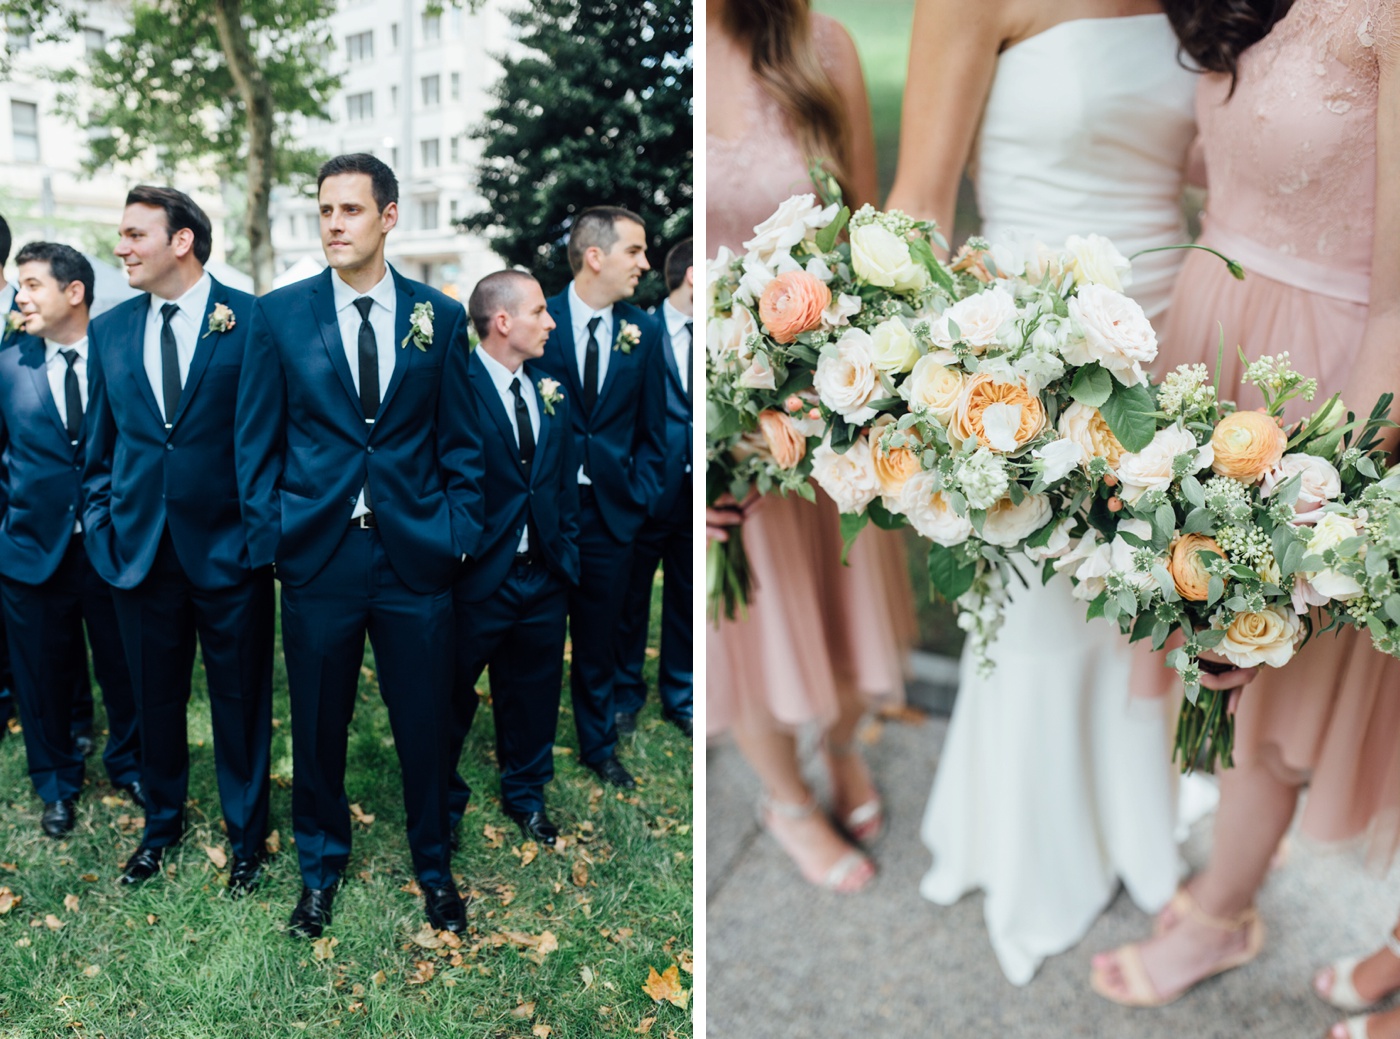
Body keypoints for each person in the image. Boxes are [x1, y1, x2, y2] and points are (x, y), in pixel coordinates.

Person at [883, 0, 1231, 983]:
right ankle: (1034, 850)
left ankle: (1139, 815)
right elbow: (915, 202)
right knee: (1038, 618)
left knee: (1139, 605)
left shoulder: (1196, 5)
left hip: (1165, 344)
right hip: (1020, 366)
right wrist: (918, 377)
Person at [1090, 2, 1400, 1026]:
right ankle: (1222, 900)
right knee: (1214, 667)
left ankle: (1222, 909)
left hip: (1326, 383)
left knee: (1272, 678)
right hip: (1212, 348)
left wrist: (1309, 532)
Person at [235, 153, 482, 939]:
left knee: (426, 721)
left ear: (389, 216)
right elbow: (256, 443)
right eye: (325, 211)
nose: (334, 224)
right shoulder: (278, 317)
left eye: (349, 210)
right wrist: (276, 537)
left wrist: (455, 531)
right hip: (320, 557)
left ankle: (435, 868)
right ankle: (318, 871)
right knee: (317, 723)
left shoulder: (438, 318)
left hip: (415, 556)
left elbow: (463, 444)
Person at [706, 0, 917, 894]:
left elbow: (875, 238)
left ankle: (841, 750)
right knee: (750, 621)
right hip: (712, 415)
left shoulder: (815, 39)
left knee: (844, 609)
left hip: (827, 395)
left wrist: (862, 384)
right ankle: (786, 799)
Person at [85, 186, 274, 894]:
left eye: (136, 234)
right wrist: (104, 525)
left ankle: (247, 836)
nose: (122, 247)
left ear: (182, 241)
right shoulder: (109, 329)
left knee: (241, 700)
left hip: (231, 551)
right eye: (122, 235)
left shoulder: (251, 320)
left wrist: (262, 535)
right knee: (153, 699)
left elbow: (267, 434)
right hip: (138, 552)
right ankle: (159, 824)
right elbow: (101, 450)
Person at [0, 242, 141, 836]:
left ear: (74, 292)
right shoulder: (7, 365)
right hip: (30, 552)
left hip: (111, 551)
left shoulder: (122, 357)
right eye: (17, 286)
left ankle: (131, 766)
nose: (18, 298)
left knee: (126, 670)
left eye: (31, 285)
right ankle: (56, 782)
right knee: (40, 676)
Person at [445, 269, 579, 849]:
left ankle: (526, 795)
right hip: (475, 578)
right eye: (540, 312)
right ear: (503, 322)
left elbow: (562, 486)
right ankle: (440, 802)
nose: (551, 322)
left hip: (543, 575)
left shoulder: (550, 389)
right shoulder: (452, 387)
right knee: (448, 695)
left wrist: (563, 552)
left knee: (534, 693)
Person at [535, 206, 667, 791]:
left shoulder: (645, 331)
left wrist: (638, 497)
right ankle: (529, 752)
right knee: (535, 640)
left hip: (613, 515)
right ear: (595, 256)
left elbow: (654, 431)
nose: (645, 263)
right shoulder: (539, 322)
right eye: (634, 251)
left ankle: (598, 745)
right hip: (545, 514)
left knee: (599, 640)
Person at [614, 237, 694, 739]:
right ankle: (624, 695)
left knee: (686, 599)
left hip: (698, 495)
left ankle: (681, 694)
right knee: (631, 599)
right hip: (648, 492)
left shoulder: (718, 333)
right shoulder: (640, 331)